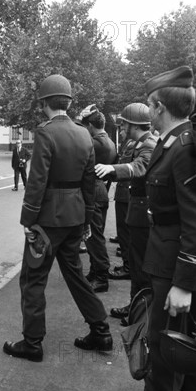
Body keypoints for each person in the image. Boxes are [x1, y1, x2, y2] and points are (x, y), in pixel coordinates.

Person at [125, 66, 196, 391]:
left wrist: (183, 284)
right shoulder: (173, 141)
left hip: (176, 263)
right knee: (187, 334)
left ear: (158, 106)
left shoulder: (186, 148)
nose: (148, 108)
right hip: (167, 256)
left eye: (150, 104)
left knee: (165, 339)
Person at [3, 74, 113, 362]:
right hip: (75, 217)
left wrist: (28, 220)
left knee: (33, 279)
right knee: (75, 275)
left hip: (48, 220)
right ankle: (101, 330)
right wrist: (87, 219)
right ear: (67, 102)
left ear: (44, 104)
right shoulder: (83, 133)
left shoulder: (45, 133)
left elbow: (37, 181)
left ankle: (32, 342)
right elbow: (89, 181)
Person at [95, 103, 156, 318]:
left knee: (140, 267)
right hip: (137, 211)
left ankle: (139, 312)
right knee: (137, 263)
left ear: (133, 124)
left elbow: (139, 167)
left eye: (124, 123)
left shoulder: (148, 144)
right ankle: (136, 307)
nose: (122, 127)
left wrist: (113, 169)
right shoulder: (140, 142)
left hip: (141, 212)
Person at [80, 105, 117, 293]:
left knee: (94, 239)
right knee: (95, 236)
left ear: (91, 126)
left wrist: (80, 118)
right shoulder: (110, 142)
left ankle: (101, 277)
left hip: (92, 192)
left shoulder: (94, 142)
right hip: (101, 189)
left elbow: (77, 140)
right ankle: (95, 273)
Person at [108, 124, 136, 280]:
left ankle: (128, 267)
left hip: (126, 194)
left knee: (126, 233)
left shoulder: (134, 145)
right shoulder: (130, 143)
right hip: (123, 193)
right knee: (124, 233)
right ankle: (127, 263)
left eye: (124, 128)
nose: (123, 131)